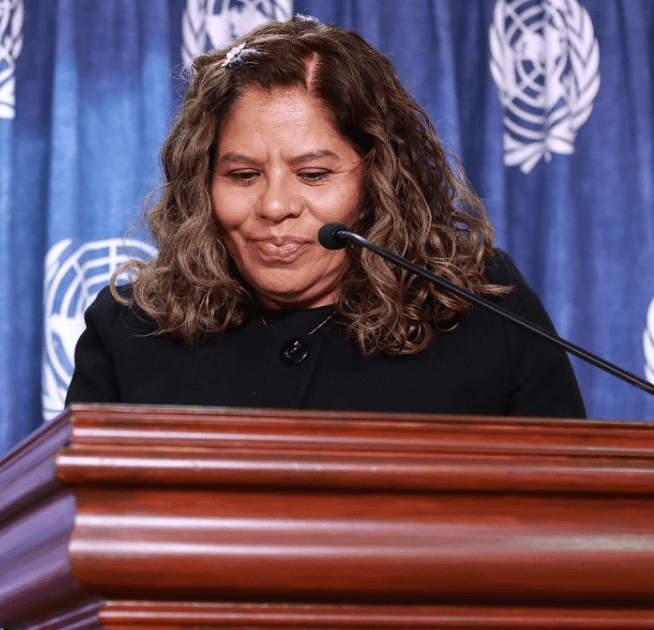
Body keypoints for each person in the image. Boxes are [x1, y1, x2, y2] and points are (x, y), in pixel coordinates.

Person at [64, 17, 586, 418]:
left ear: (378, 177)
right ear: (202, 182)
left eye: (313, 175)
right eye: (243, 175)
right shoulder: (130, 328)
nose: (274, 206)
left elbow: (568, 503)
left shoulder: (482, 304)